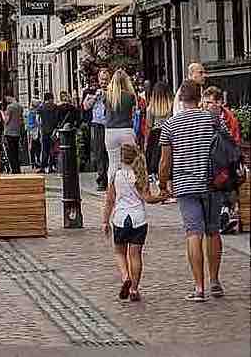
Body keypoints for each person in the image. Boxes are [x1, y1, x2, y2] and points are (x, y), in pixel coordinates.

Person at [158, 79, 228, 301]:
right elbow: (228, 144)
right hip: (212, 183)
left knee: (193, 233)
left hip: (186, 185)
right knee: (213, 231)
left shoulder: (171, 125)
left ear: (180, 99)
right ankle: (215, 281)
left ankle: (199, 288)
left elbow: (164, 162)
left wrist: (162, 184)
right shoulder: (213, 119)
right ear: (199, 98)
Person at [101, 143, 164, 302]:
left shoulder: (116, 176)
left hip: (120, 218)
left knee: (119, 253)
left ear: (121, 158)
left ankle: (125, 276)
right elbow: (148, 199)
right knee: (135, 255)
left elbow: (110, 201)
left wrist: (105, 221)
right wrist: (162, 196)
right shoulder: (140, 174)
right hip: (138, 219)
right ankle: (134, 289)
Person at [201, 86, 241, 234]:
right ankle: (223, 214)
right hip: (212, 161)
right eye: (205, 103)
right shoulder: (204, 117)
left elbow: (233, 139)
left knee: (229, 179)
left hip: (225, 159)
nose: (206, 106)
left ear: (219, 102)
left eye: (209, 103)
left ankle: (225, 212)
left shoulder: (228, 117)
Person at [104, 69, 138, 184]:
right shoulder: (130, 97)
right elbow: (133, 114)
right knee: (128, 164)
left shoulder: (108, 96)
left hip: (110, 132)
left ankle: (111, 190)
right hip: (126, 130)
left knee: (113, 163)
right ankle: (128, 189)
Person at [83, 68, 111, 190]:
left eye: (106, 79)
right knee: (99, 153)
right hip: (97, 125)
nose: (104, 82)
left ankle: (111, 179)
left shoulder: (112, 91)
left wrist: (106, 98)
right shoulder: (92, 92)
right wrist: (95, 98)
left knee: (109, 153)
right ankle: (101, 179)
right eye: (102, 79)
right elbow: (85, 107)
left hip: (109, 125)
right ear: (98, 80)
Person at [144, 80, 173, 177]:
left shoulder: (150, 108)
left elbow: (148, 125)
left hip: (155, 136)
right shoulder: (171, 107)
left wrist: (145, 142)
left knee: (154, 160)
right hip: (168, 134)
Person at [1, 94, 23, 174]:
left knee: (11, 152)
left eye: (7, 98)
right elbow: (21, 120)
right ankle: (18, 169)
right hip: (17, 132)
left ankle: (14, 169)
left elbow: (6, 120)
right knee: (16, 152)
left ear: (10, 97)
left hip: (9, 132)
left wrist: (2, 114)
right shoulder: (20, 107)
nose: (6, 100)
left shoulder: (10, 107)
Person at [36, 93, 58, 173]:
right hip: (53, 131)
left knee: (45, 149)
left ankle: (43, 166)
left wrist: (40, 127)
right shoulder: (55, 107)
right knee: (52, 149)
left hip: (44, 131)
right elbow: (57, 119)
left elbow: (38, 119)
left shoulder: (41, 107)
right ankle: (51, 166)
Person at [25, 103, 41, 170]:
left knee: (34, 148)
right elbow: (31, 124)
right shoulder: (32, 113)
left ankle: (34, 162)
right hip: (34, 132)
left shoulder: (30, 113)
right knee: (35, 147)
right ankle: (35, 162)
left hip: (33, 132)